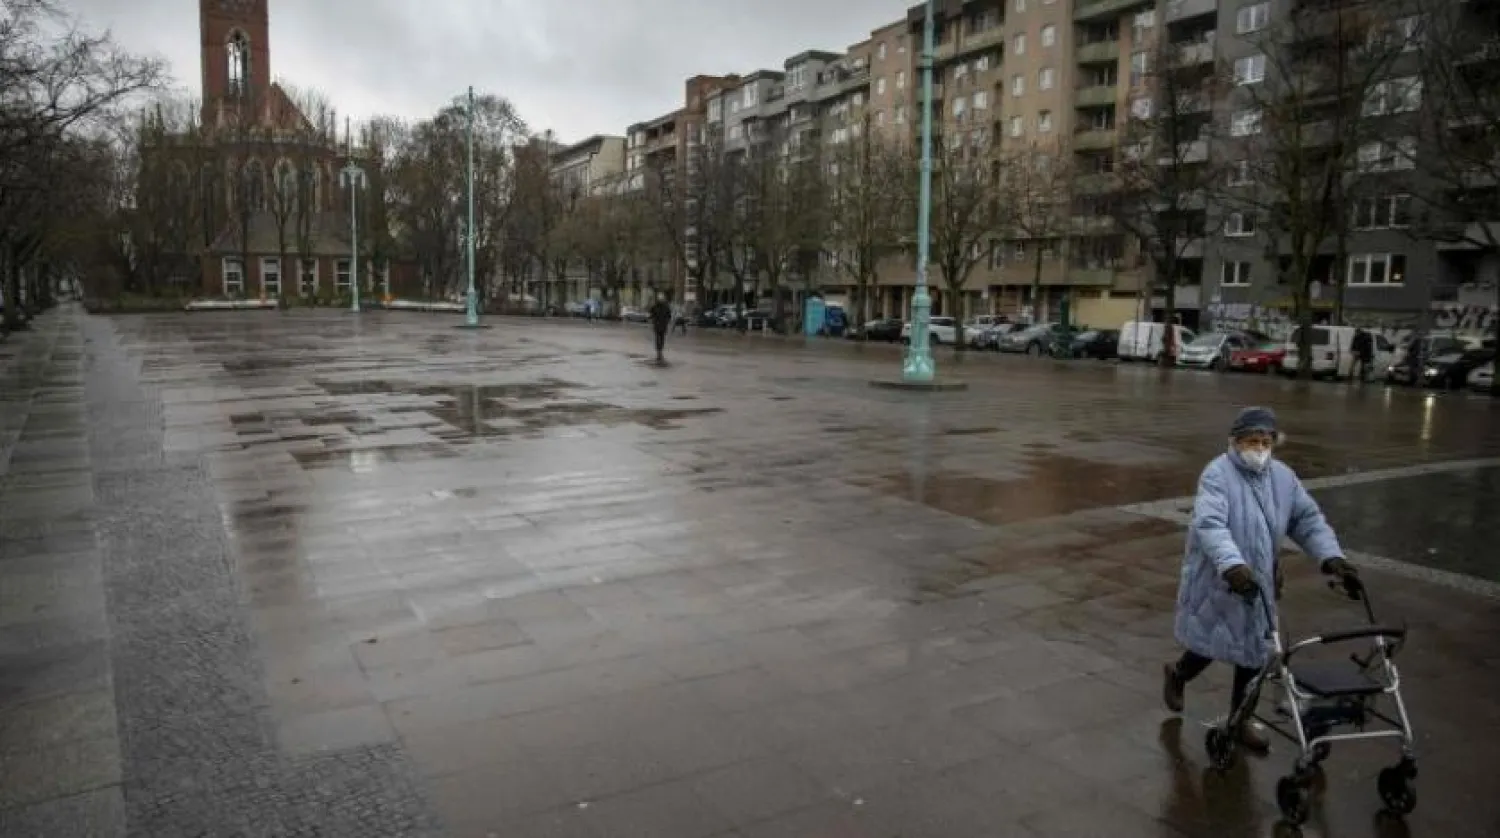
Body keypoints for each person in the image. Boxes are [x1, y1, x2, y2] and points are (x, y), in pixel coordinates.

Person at [1163, 406, 1359, 752]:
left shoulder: (1283, 477)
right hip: (1222, 578)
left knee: (1254, 653)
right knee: (1210, 642)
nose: (1259, 448)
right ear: (1236, 442)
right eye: (1252, 440)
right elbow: (1209, 524)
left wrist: (1332, 557)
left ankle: (1240, 720)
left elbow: (1307, 520)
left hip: (1262, 582)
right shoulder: (1217, 474)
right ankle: (1178, 674)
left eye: (1265, 441)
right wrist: (1232, 565)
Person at [648, 293, 673, 363]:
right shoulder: (655, 306)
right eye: (660, 299)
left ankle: (660, 351)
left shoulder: (665, 307)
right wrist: (652, 320)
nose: (661, 300)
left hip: (662, 326)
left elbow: (669, 316)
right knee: (658, 338)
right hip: (658, 325)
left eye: (662, 299)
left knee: (661, 339)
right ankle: (659, 352)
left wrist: (667, 321)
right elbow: (651, 315)